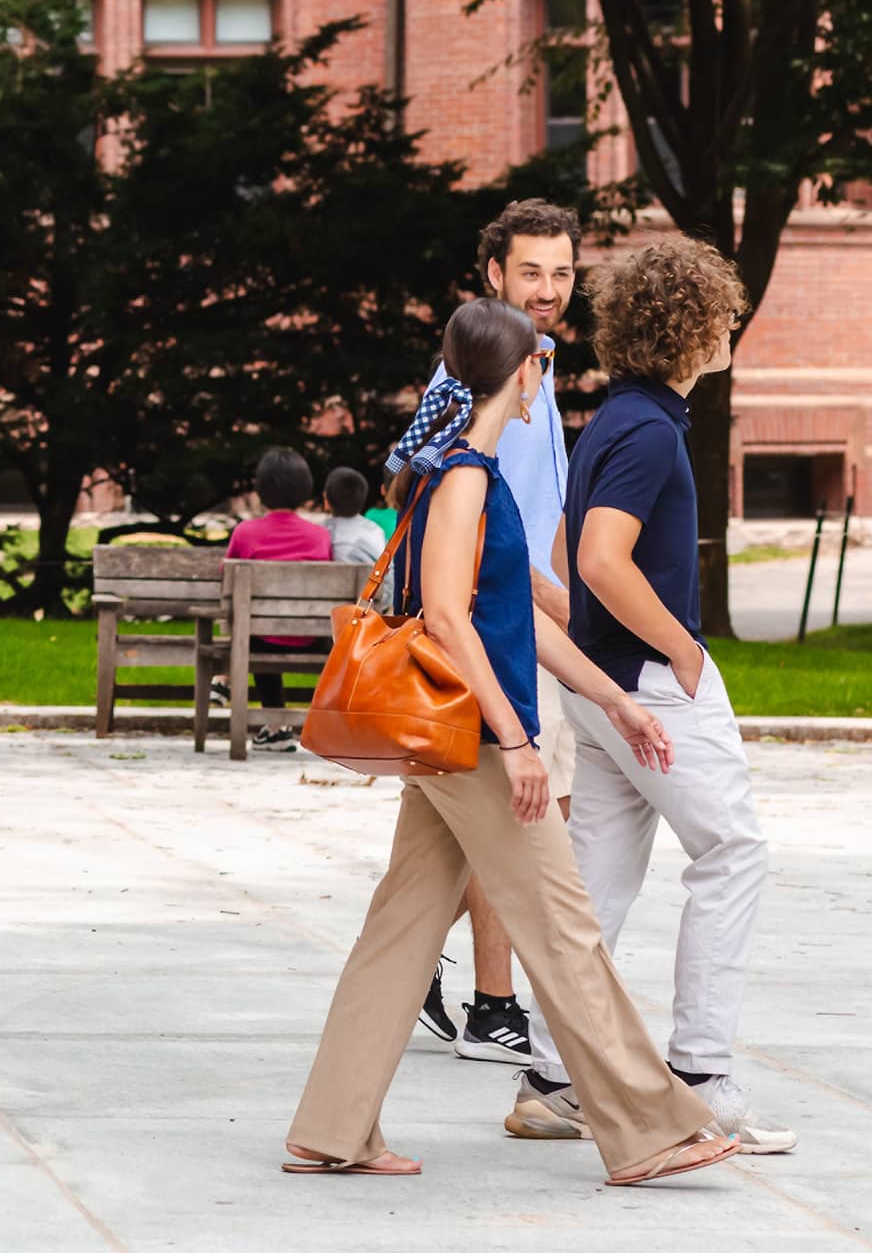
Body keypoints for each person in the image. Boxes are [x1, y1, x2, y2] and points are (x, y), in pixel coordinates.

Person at [283, 297, 738, 1185]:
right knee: (565, 929)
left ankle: (332, 1128)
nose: (548, 379)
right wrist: (519, 743)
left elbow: (520, 620)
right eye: (544, 363)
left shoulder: (465, 472)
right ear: (523, 371)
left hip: (454, 739)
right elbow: (450, 622)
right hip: (479, 742)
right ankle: (649, 1130)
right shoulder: (462, 479)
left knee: (402, 926)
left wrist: (615, 698)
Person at [508, 239, 796, 1154]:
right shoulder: (651, 431)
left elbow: (562, 558)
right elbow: (595, 558)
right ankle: (703, 1075)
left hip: (601, 684)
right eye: (722, 316)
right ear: (692, 327)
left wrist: (597, 637)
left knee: (594, 883)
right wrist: (681, 648)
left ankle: (554, 1079)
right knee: (733, 853)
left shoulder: (613, 422)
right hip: (649, 686)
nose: (729, 330)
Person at [419, 199, 580, 1064]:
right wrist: (556, 608)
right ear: (494, 275)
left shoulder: (539, 371)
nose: (548, 288)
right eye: (530, 271)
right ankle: (493, 1005)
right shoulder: (481, 381)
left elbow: (541, 509)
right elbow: (467, 514)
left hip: (524, 628)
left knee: (472, 838)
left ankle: (415, 969)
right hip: (496, 637)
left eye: (560, 271)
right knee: (522, 821)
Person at [224, 447, 332, 752]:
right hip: (312, 636)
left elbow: (227, 579)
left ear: (260, 489)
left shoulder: (245, 533)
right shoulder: (319, 536)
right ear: (305, 489)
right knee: (264, 629)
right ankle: (288, 727)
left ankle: (275, 726)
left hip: (261, 635)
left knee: (255, 631)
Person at [322, 464, 391, 610]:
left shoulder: (321, 532)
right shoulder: (376, 531)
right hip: (367, 616)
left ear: (326, 500)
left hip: (325, 615)